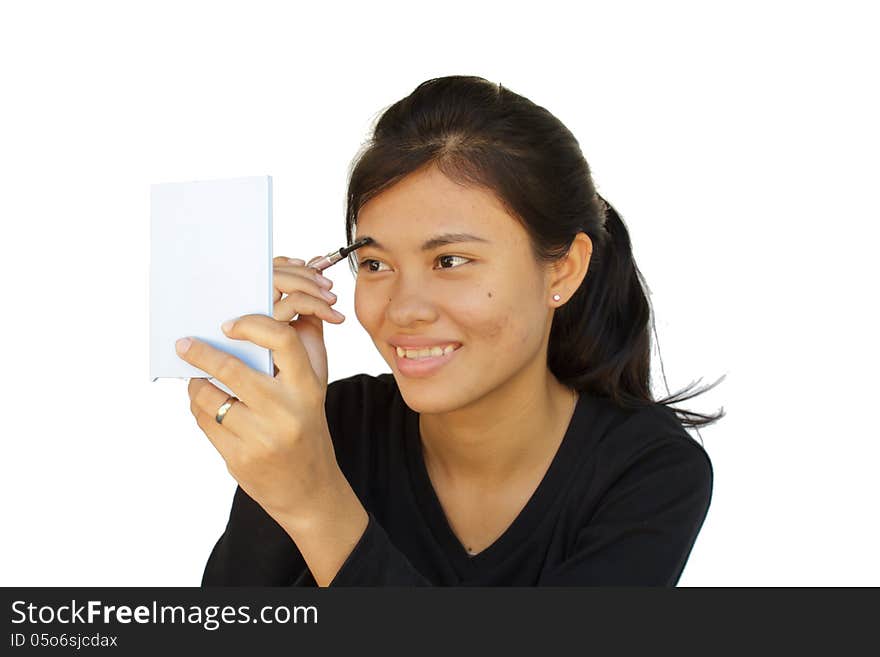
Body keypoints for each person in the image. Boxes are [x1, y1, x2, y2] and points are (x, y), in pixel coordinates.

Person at [193, 75, 723, 586]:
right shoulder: (332, 427)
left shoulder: (649, 472)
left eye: (449, 260)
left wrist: (314, 501)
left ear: (562, 269)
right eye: (376, 264)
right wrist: (288, 435)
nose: (403, 310)